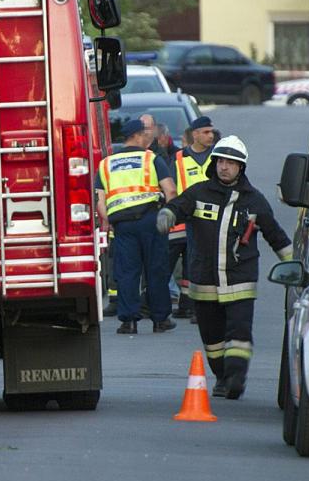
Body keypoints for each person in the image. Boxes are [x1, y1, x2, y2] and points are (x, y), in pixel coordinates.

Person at [156, 135, 291, 399]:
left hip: (240, 279)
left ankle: (237, 377)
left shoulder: (254, 200)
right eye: (220, 161)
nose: (224, 167)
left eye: (231, 162)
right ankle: (221, 376)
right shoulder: (198, 192)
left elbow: (276, 236)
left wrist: (294, 265)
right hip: (204, 281)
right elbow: (178, 206)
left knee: (239, 332)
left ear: (241, 167)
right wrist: (167, 215)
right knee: (213, 339)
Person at [96, 117, 178, 335]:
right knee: (156, 270)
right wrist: (169, 217)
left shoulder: (106, 164)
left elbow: (99, 201)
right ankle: (160, 320)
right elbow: (170, 191)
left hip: (123, 225)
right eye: (145, 135)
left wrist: (109, 222)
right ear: (137, 136)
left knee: (127, 272)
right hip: (152, 221)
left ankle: (128, 321)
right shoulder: (151, 160)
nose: (148, 138)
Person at [167, 116, 220, 321]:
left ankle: (199, 308)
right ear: (195, 134)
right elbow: (170, 188)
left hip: (210, 220)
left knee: (204, 266)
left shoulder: (217, 156)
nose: (210, 135)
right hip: (183, 220)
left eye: (211, 132)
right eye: (206, 132)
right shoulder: (178, 158)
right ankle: (186, 306)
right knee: (189, 265)